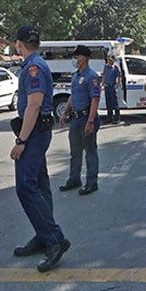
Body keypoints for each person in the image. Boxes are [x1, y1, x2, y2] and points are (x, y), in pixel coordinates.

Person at [10, 25, 70, 272]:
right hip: (37, 131)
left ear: (19, 44)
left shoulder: (33, 67)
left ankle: (55, 239)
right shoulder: (35, 64)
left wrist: (21, 141)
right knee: (40, 185)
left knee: (25, 186)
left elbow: (34, 105)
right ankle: (43, 235)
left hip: (34, 134)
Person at [59, 45, 101, 196]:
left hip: (86, 118)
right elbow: (72, 96)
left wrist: (90, 121)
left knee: (90, 152)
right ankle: (74, 179)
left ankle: (91, 183)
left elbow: (95, 99)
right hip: (76, 118)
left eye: (76, 57)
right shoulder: (76, 75)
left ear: (83, 58)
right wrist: (65, 113)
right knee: (75, 152)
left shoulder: (92, 76)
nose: (74, 60)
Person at [102, 56, 121, 124]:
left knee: (114, 103)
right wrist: (102, 84)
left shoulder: (115, 68)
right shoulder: (105, 67)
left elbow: (119, 76)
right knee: (108, 103)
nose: (109, 61)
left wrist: (117, 84)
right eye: (108, 60)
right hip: (107, 87)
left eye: (110, 60)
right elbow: (104, 76)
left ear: (113, 61)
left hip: (112, 86)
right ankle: (109, 118)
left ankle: (117, 118)